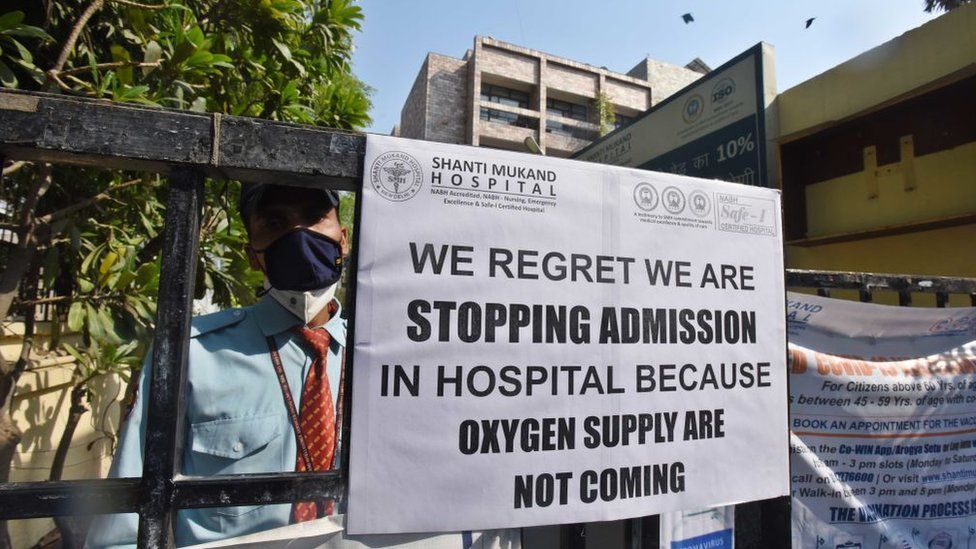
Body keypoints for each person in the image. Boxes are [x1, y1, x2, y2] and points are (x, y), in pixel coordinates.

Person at [86, 183, 350, 547]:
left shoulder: (385, 359)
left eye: (315, 218)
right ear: (253, 254)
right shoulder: (191, 354)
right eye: (275, 222)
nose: (299, 236)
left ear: (344, 239)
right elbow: (123, 531)